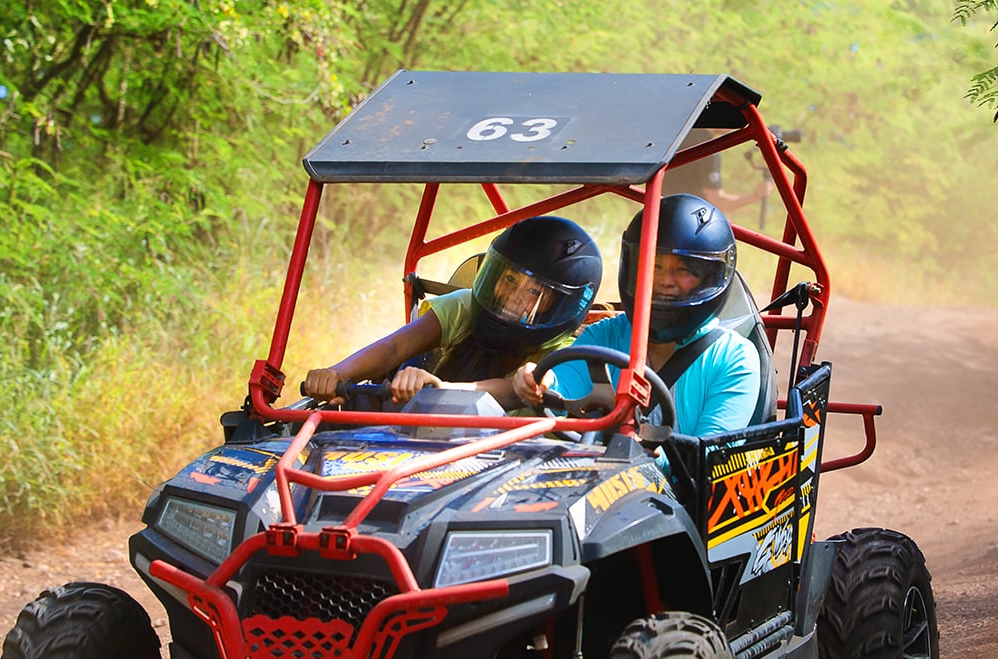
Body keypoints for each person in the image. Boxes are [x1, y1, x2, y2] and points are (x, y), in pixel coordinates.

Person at [512, 194, 760, 438]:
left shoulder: (734, 359)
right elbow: (563, 388)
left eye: (683, 269)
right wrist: (540, 382)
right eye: (655, 266)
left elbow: (709, 461)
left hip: (670, 479)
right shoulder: (605, 335)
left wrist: (642, 445)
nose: (664, 281)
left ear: (709, 279)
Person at [302, 216, 602, 411]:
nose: (512, 297)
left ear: (565, 306)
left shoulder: (564, 353)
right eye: (509, 279)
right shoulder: (467, 306)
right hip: (422, 441)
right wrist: (338, 372)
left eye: (534, 292)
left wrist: (440, 389)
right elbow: (395, 346)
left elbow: (512, 391)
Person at [662, 128, 772, 215]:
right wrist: (755, 196)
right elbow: (717, 201)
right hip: (689, 222)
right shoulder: (709, 150)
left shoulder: (679, 133)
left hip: (661, 211)